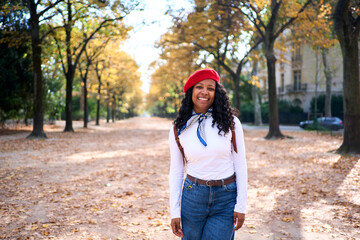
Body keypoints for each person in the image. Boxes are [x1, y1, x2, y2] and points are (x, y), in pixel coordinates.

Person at [168, 68, 247, 240]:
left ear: (216, 93)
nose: (204, 92)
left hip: (225, 197)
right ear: (191, 92)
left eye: (210, 88)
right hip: (193, 196)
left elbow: (240, 165)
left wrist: (241, 205)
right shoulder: (178, 128)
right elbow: (176, 171)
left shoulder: (231, 123)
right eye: (199, 87)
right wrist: (174, 210)